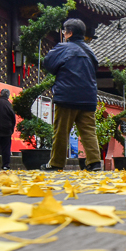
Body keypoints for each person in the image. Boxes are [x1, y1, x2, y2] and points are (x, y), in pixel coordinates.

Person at [42, 18, 102, 171]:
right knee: (89, 131)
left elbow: (48, 64)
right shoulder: (90, 52)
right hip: (88, 97)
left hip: (67, 96)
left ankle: (56, 163)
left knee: (61, 131)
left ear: (69, 33)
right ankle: (94, 162)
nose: (63, 34)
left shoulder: (62, 48)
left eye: (64, 31)